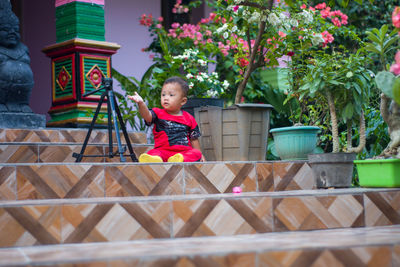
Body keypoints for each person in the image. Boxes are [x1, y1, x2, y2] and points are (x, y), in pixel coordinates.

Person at [128, 76, 205, 163]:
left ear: (183, 101)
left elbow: (194, 138)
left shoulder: (189, 118)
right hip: (162, 151)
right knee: (153, 153)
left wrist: (200, 154)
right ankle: (155, 160)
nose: (166, 98)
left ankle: (180, 159)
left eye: (171, 95)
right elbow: (147, 116)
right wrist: (141, 103)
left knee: (196, 153)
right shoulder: (157, 113)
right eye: (163, 94)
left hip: (183, 152)